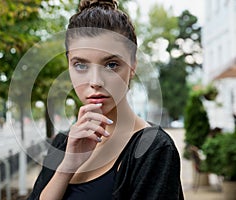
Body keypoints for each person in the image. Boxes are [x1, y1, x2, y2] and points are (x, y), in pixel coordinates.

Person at [28, 0, 184, 199]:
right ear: (68, 66)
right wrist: (67, 166)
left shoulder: (153, 149)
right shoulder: (63, 142)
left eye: (111, 64)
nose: (95, 82)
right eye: (81, 65)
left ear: (133, 66)